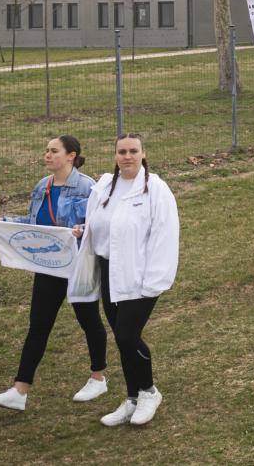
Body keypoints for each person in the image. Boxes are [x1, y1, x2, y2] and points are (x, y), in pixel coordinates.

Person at [0, 136, 109, 412]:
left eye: (54, 151)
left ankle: (98, 377)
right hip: (49, 267)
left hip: (79, 267)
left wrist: (82, 230)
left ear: (71, 155)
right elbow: (31, 224)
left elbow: (100, 223)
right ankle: (20, 390)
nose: (47, 155)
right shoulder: (42, 186)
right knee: (39, 325)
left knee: (88, 319)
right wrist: (0, 222)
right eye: (46, 151)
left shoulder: (87, 187)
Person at [77, 133, 179, 427]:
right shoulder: (105, 186)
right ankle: (132, 397)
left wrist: (154, 280)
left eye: (133, 151)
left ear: (143, 153)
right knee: (122, 341)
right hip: (110, 273)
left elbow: (165, 235)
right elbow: (99, 224)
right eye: (122, 151)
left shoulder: (156, 190)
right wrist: (83, 232)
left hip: (141, 276)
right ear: (115, 155)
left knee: (126, 335)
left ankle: (149, 392)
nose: (127, 156)